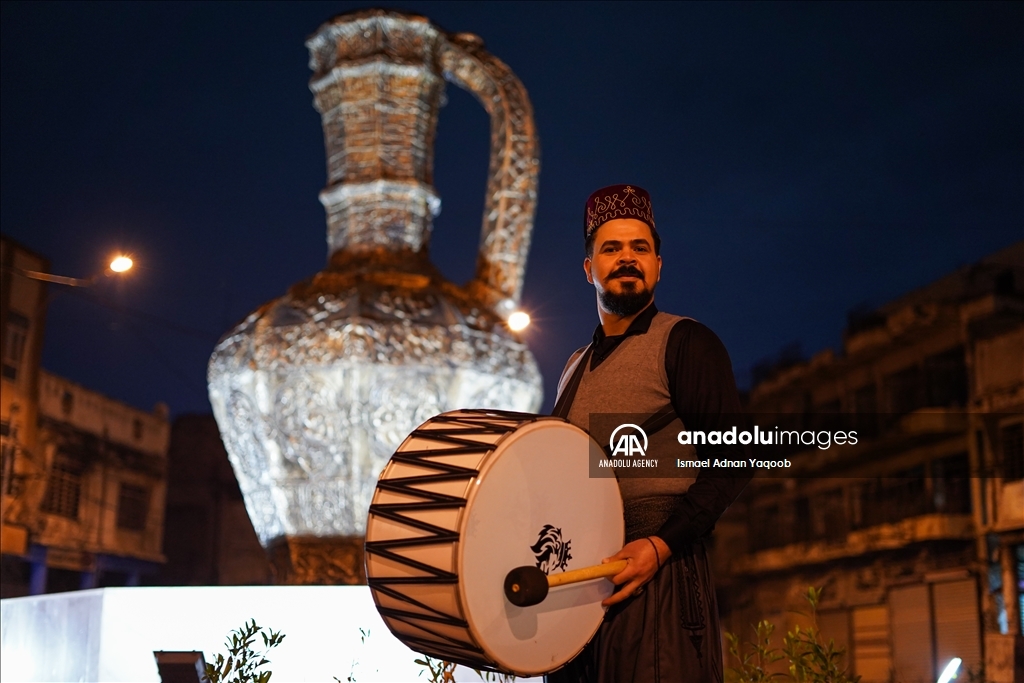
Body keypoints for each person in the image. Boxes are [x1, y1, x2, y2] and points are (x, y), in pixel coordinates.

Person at [546, 184, 751, 683]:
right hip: (579, 589)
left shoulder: (686, 343)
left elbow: (736, 460)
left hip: (661, 580)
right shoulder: (574, 367)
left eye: (640, 248)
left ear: (659, 265)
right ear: (589, 269)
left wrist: (660, 545)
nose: (627, 258)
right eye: (611, 248)